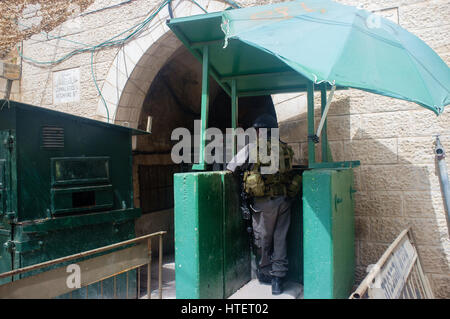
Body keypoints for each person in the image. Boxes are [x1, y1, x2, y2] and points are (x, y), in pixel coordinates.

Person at [226, 114, 302, 295]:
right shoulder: (284, 148)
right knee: (280, 238)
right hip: (284, 200)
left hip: (263, 204)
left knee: (263, 239)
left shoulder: (253, 148)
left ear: (260, 130)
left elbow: (231, 166)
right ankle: (278, 278)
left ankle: (266, 273)